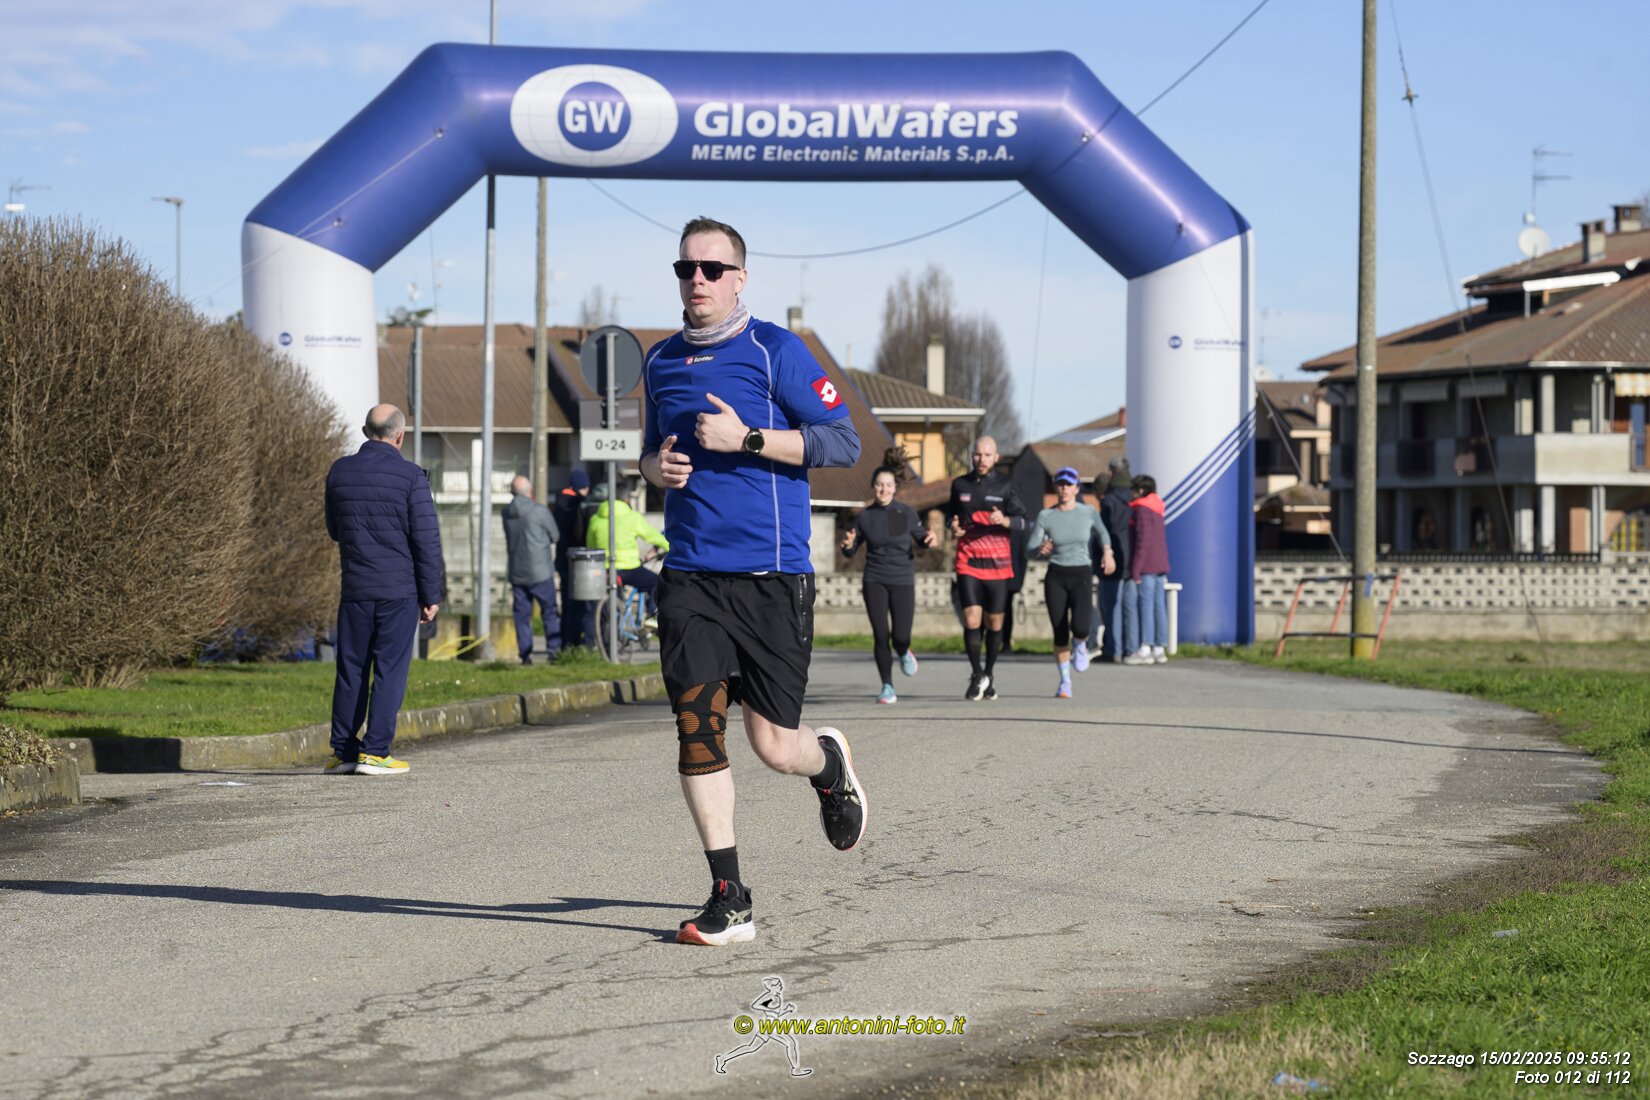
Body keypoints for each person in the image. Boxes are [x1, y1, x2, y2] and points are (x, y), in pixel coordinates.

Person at [639, 216, 866, 946]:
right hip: (690, 576)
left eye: (712, 269)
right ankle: (729, 896)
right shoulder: (660, 360)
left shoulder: (776, 350)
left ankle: (826, 764)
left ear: (739, 278)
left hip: (771, 577)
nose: (697, 280)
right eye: (686, 268)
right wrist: (655, 469)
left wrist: (750, 439)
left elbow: (844, 443)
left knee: (773, 746)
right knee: (696, 727)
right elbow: (648, 455)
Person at [323, 404, 443, 776]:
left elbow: (334, 530)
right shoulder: (411, 477)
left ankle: (344, 751)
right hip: (398, 591)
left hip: (356, 588)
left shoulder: (340, 471)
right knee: (389, 670)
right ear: (400, 435)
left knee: (351, 669)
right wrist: (431, 595)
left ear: (365, 431)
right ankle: (375, 751)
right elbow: (426, 540)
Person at [840, 455, 936, 704]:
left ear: (895, 488)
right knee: (881, 634)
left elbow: (922, 539)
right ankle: (887, 686)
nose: (884, 489)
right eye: (880, 484)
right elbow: (851, 550)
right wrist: (847, 546)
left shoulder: (906, 513)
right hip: (875, 579)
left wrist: (929, 540)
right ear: (873, 487)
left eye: (889, 485)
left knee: (900, 636)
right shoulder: (865, 517)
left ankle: (903, 650)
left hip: (902, 579)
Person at [945, 436, 1027, 701]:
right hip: (968, 560)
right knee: (971, 620)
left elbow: (1023, 521)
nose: (982, 460)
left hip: (998, 564)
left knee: (995, 623)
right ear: (972, 456)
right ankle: (976, 674)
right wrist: (953, 526)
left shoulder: (1006, 485)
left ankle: (989, 674)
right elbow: (950, 516)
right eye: (978, 455)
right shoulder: (960, 484)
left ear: (996, 458)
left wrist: (1005, 520)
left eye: (987, 455)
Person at [1026, 466, 1115, 697]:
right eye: (1061, 484)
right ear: (1056, 487)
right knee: (1059, 631)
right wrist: (1040, 549)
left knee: (1082, 627)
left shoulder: (1088, 512)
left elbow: (1103, 533)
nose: (1064, 488)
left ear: (1076, 488)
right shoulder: (1046, 516)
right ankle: (1065, 682)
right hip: (1056, 575)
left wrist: (1108, 553)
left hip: (1081, 573)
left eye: (1069, 484)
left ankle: (1080, 644)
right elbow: (1029, 550)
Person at [585, 482, 670, 617]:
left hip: (605, 568)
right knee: (656, 582)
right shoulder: (632, 517)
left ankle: (614, 622)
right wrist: (670, 547)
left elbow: (590, 545)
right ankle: (652, 616)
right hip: (629, 568)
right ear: (627, 500)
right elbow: (653, 536)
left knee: (613, 598)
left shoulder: (595, 518)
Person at [503, 475, 559, 665]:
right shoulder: (539, 511)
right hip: (541, 571)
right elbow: (555, 535)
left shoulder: (506, 513)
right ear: (530, 491)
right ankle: (554, 651)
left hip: (517, 572)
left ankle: (525, 655)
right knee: (549, 612)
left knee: (521, 616)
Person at [1124, 473, 1171, 666]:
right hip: (1160, 564)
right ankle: (1160, 647)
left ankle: (1146, 646)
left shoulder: (1142, 510)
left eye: (1133, 489)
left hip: (1147, 566)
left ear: (1140, 490)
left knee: (1146, 606)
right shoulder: (1158, 507)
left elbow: (1142, 542)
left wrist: (1136, 569)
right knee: (1159, 606)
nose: (1131, 493)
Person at [1094, 457, 1135, 663]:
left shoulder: (1109, 500)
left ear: (1112, 472)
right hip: (1133, 559)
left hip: (1112, 559)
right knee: (1130, 607)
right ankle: (1131, 648)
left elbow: (1103, 532)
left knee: (1111, 607)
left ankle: (1113, 648)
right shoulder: (1135, 497)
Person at [553, 469, 595, 650]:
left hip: (562, 557)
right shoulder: (580, 504)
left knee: (566, 601)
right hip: (578, 559)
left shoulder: (558, 502)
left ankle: (565, 643)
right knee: (580, 602)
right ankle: (578, 641)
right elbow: (580, 533)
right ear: (584, 487)